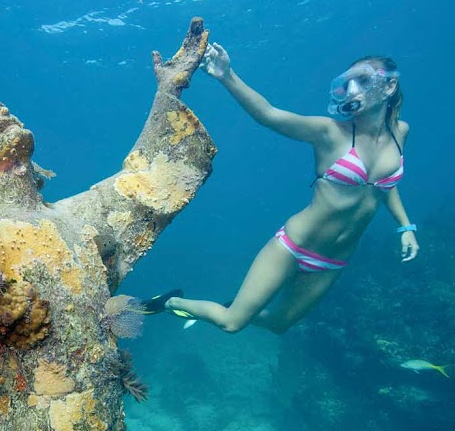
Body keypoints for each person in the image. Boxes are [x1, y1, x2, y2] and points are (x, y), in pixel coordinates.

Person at [160, 42, 418, 334]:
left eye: (364, 81)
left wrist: (405, 227)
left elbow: (382, 185)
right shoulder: (330, 132)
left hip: (333, 260)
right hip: (294, 246)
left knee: (279, 323)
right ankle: (170, 303)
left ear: (389, 86)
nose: (353, 90)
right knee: (231, 323)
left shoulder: (401, 133)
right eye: (349, 83)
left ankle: (241, 305)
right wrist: (226, 76)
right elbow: (269, 115)